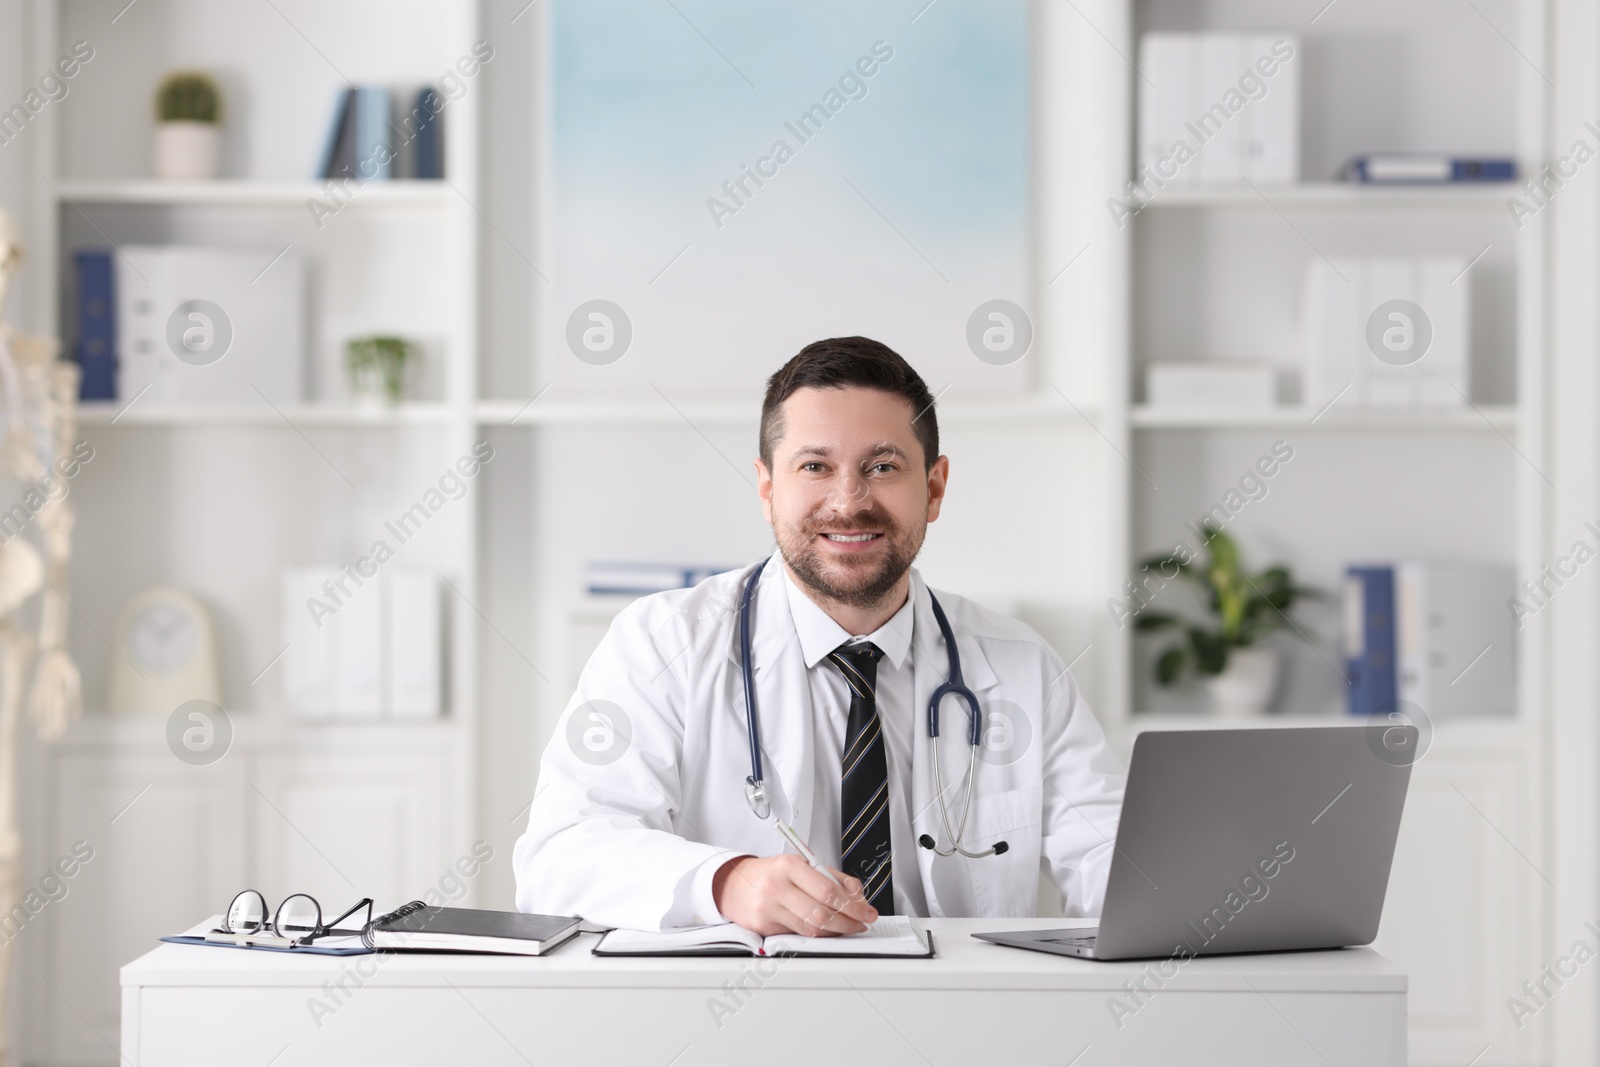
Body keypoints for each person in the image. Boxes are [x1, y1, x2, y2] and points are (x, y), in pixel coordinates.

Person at [514, 336, 1125, 935]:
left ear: (934, 488)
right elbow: (560, 856)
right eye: (815, 466)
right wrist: (728, 881)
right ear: (767, 487)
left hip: (957, 1019)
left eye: (883, 466)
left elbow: (1114, 860)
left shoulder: (1020, 664)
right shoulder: (660, 645)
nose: (848, 500)